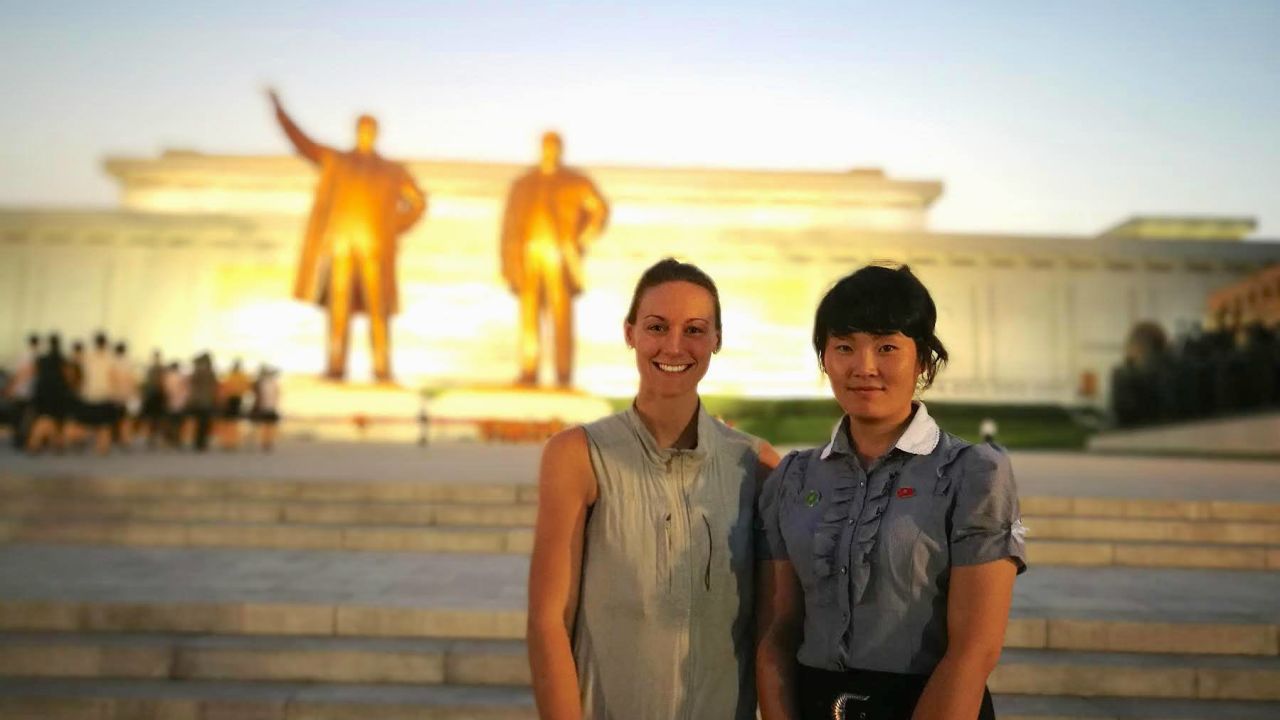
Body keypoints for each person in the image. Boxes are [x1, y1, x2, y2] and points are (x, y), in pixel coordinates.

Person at [756, 264, 1026, 720]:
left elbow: (974, 651)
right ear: (825, 358)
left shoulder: (973, 473)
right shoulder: (794, 477)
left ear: (922, 360)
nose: (864, 367)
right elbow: (778, 634)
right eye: (844, 347)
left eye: (886, 347)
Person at [527, 258, 780, 720]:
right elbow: (548, 621)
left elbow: (771, 630)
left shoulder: (758, 465)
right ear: (630, 333)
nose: (674, 345)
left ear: (717, 340)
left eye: (695, 330)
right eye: (657, 326)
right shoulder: (578, 456)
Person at [269, 88, 427, 381]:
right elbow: (302, 143)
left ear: (376, 133)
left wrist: (394, 226)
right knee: (337, 309)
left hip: (373, 248)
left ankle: (382, 369)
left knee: (378, 311)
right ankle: (335, 366)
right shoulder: (336, 161)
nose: (366, 133)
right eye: (362, 128)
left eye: (371, 129)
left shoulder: (392, 170)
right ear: (356, 131)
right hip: (339, 244)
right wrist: (278, 109)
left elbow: (418, 202)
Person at [500, 131, 609, 387]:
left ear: (560, 149)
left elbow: (599, 211)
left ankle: (563, 374)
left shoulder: (575, 181)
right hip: (528, 254)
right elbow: (509, 226)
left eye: (555, 146)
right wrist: (507, 262)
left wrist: (582, 238)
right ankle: (528, 371)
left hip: (560, 254)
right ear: (540, 149)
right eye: (546, 146)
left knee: (561, 315)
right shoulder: (523, 183)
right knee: (528, 314)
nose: (550, 151)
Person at [26, 333, 74, 453]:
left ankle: (37, 444)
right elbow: (69, 376)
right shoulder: (63, 359)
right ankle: (50, 444)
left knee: (44, 418)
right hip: (58, 393)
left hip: (42, 392)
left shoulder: (42, 359)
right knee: (53, 420)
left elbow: (32, 373)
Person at [250, 365, 281, 451]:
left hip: (267, 407)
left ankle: (267, 441)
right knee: (267, 426)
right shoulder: (271, 383)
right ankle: (266, 441)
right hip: (268, 407)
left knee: (267, 426)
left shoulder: (266, 383)